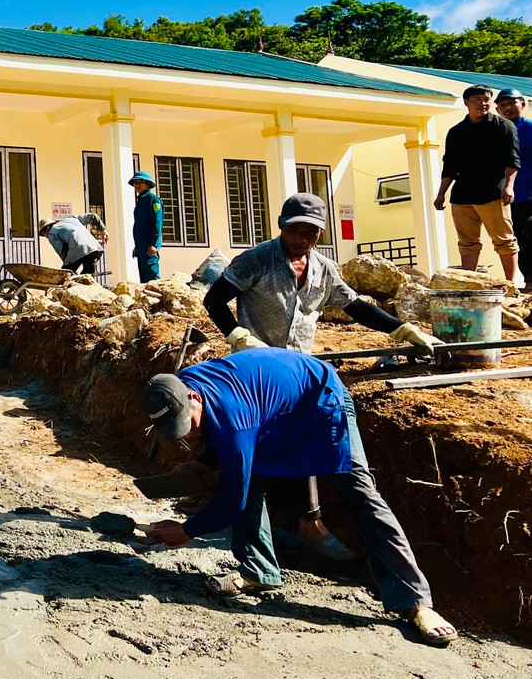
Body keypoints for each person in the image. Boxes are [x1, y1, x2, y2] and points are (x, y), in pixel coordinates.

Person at [141, 350, 457, 646]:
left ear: (194, 397)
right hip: (273, 414)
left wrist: (187, 530)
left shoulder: (234, 419)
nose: (187, 435)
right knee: (245, 479)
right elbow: (229, 428)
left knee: (362, 497)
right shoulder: (177, 388)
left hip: (320, 400)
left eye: (189, 426)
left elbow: (232, 498)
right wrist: (203, 462)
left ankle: (416, 603)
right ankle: (258, 572)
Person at [202, 192, 440, 560]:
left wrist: (402, 330)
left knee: (306, 434)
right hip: (257, 372)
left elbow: (356, 306)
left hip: (298, 374)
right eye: (296, 230)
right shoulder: (257, 261)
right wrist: (236, 335)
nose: (302, 239)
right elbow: (214, 299)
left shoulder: (323, 269)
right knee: (255, 444)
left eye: (311, 233)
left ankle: (306, 524)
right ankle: (256, 525)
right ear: (281, 226)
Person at [433, 84, 520, 280]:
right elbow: (450, 165)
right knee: (467, 243)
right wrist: (441, 193)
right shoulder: (456, 132)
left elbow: (512, 159)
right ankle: (469, 282)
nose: (483, 103)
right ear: (466, 103)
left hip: (493, 193)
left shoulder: (503, 126)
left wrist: (509, 186)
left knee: (504, 240)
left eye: (487, 99)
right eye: (477, 100)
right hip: (463, 195)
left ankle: (511, 284)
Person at [496, 89, 532, 292]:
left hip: (528, 195)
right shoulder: (498, 130)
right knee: (517, 240)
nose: (507, 108)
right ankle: (527, 281)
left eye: (512, 103)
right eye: (503, 105)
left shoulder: (528, 129)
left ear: (523, 104)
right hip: (506, 199)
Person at [38, 210, 107, 275]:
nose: (46, 237)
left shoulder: (52, 233)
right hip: (95, 248)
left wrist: (70, 271)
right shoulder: (71, 219)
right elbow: (93, 216)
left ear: (47, 228)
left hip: (78, 247)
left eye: (44, 234)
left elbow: (63, 253)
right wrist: (103, 231)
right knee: (88, 276)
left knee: (64, 275)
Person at [129, 171, 163, 283]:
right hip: (141, 245)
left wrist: (153, 244)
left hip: (149, 246)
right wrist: (137, 246)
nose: (137, 185)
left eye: (140, 182)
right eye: (135, 183)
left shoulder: (153, 200)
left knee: (152, 277)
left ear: (148, 184)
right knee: (143, 278)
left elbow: (157, 223)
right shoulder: (141, 201)